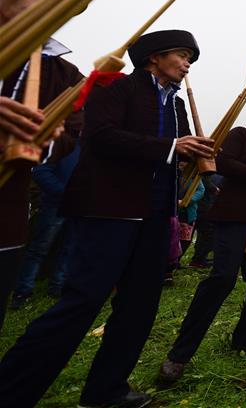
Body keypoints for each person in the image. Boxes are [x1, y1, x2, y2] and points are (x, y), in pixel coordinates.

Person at [0, 30, 212, 408]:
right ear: (154, 57)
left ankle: (105, 390)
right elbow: (100, 137)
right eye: (182, 55)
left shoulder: (176, 106)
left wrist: (192, 153)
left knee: (139, 305)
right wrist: (169, 147)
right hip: (108, 209)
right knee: (83, 300)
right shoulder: (116, 89)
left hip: (155, 213)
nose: (187, 64)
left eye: (190, 58)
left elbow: (171, 152)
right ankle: (13, 390)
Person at [158, 91, 246, 384]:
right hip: (235, 215)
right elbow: (225, 164)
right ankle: (180, 354)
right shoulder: (241, 135)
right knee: (222, 278)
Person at [0, 0, 85, 330]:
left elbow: (73, 132)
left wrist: (46, 137)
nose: (48, 7)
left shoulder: (65, 74)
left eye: (60, 3)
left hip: (8, 213)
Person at [9, 143, 80, 309]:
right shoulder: (59, 144)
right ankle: (23, 291)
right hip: (55, 205)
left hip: (77, 205)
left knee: (69, 247)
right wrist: (65, 192)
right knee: (39, 248)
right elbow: (41, 172)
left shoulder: (84, 144)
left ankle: (58, 286)